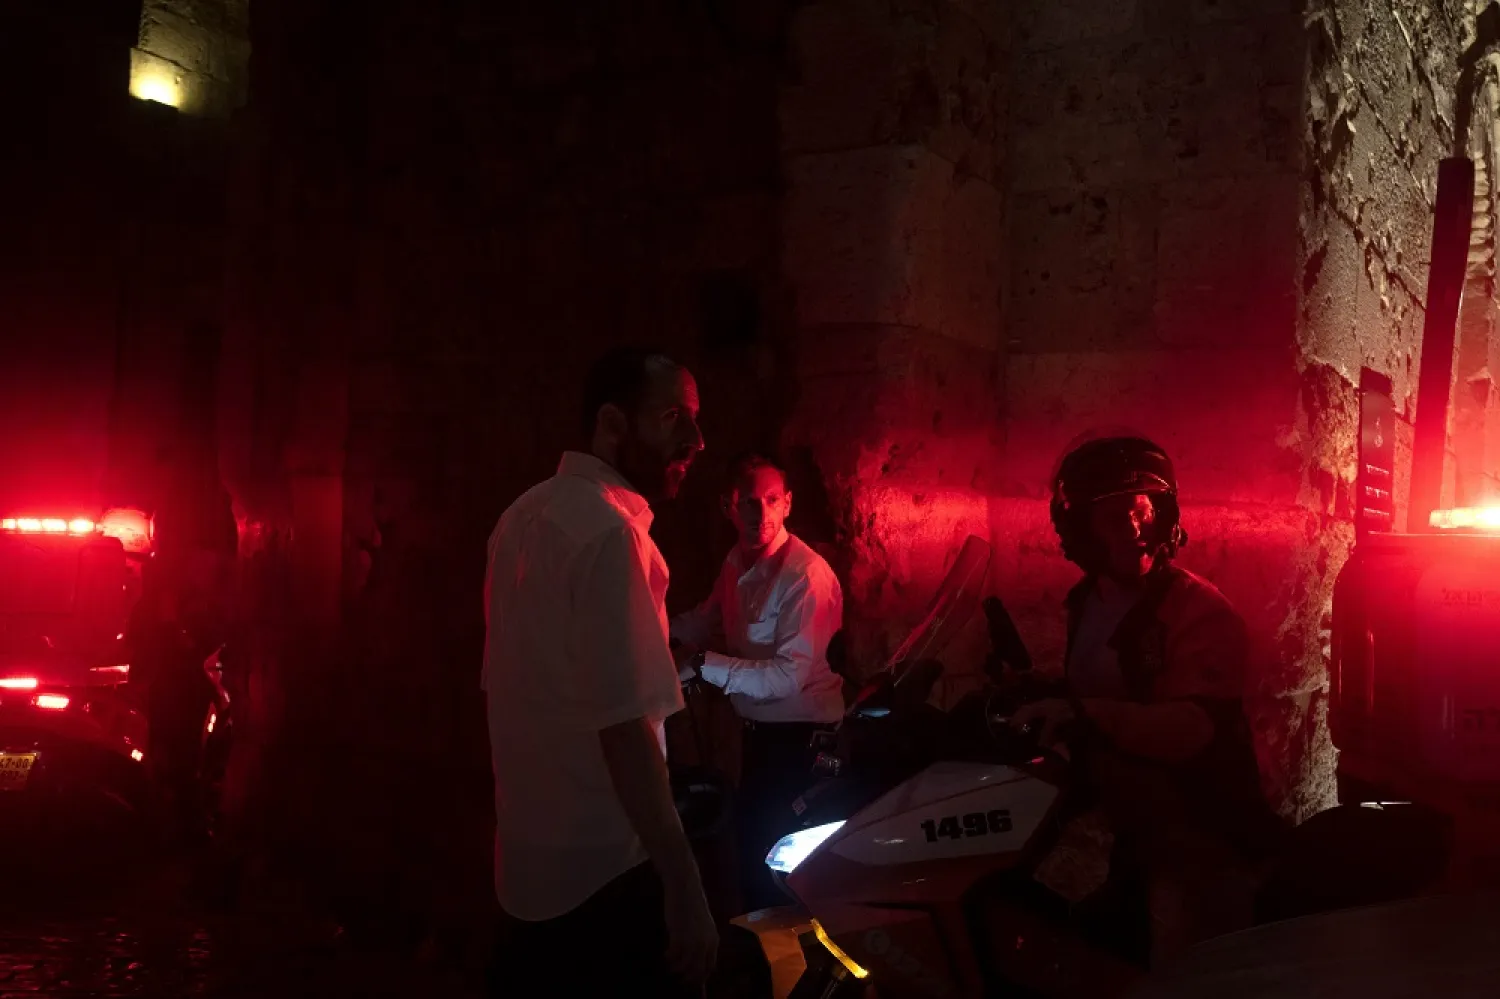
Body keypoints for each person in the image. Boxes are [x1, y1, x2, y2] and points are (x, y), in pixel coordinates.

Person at [482, 346, 716, 997]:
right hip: (606, 875)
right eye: (672, 417)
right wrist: (684, 883)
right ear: (613, 424)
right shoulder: (611, 534)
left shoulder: (518, 518)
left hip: (527, 872)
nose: (696, 440)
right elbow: (625, 727)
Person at [1010, 434, 1287, 966]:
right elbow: (1112, 686)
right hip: (1138, 830)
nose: (1135, 528)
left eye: (1143, 511)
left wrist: (1085, 714)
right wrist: (1043, 692)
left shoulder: (1199, 611)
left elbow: (1193, 727)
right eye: (1113, 517)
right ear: (1079, 529)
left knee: (1188, 970)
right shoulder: (1087, 604)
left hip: (1202, 834)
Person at [671, 452, 845, 912]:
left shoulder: (805, 575)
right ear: (728, 506)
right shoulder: (736, 562)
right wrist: (651, 633)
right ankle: (766, 950)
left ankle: (794, 954)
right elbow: (707, 619)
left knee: (781, 871)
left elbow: (788, 678)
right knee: (752, 857)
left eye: (771, 500)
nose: (761, 513)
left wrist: (703, 664)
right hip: (761, 739)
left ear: (787, 504)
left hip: (802, 744)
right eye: (749, 502)